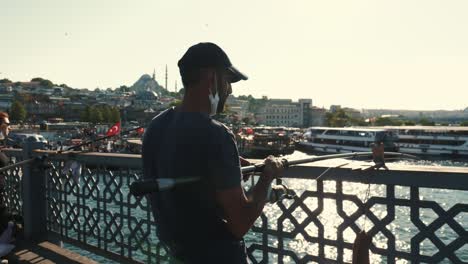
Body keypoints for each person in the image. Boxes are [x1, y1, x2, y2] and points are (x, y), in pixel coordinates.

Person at [142, 42, 283, 264]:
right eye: (227, 80)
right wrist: (268, 175)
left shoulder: (156, 126)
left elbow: (182, 164)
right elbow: (239, 223)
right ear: (211, 78)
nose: (230, 89)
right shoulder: (216, 134)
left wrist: (230, 166)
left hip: (178, 254)